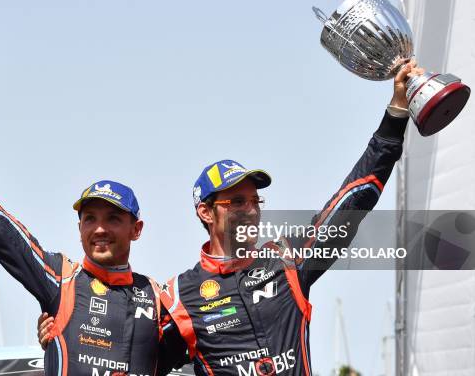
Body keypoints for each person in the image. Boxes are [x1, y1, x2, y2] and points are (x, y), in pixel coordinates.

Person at [37, 61, 422, 375]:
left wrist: (396, 115)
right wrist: (60, 337)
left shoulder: (287, 261)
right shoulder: (179, 295)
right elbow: (133, 357)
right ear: (205, 212)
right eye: (235, 202)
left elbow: (355, 198)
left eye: (255, 201)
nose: (250, 210)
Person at [0, 104, 186, 376]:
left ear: (136, 230)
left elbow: (212, 345)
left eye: (113, 218)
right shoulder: (61, 280)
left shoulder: (157, 297)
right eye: (90, 219)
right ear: (79, 229)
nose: (99, 229)